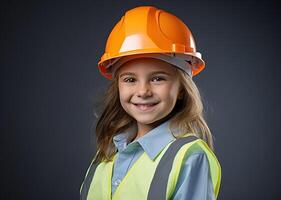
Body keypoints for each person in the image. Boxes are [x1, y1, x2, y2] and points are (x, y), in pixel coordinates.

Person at [80, 6, 221, 200]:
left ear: (181, 88)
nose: (143, 91)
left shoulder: (189, 157)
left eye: (157, 79)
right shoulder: (107, 154)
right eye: (130, 79)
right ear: (118, 86)